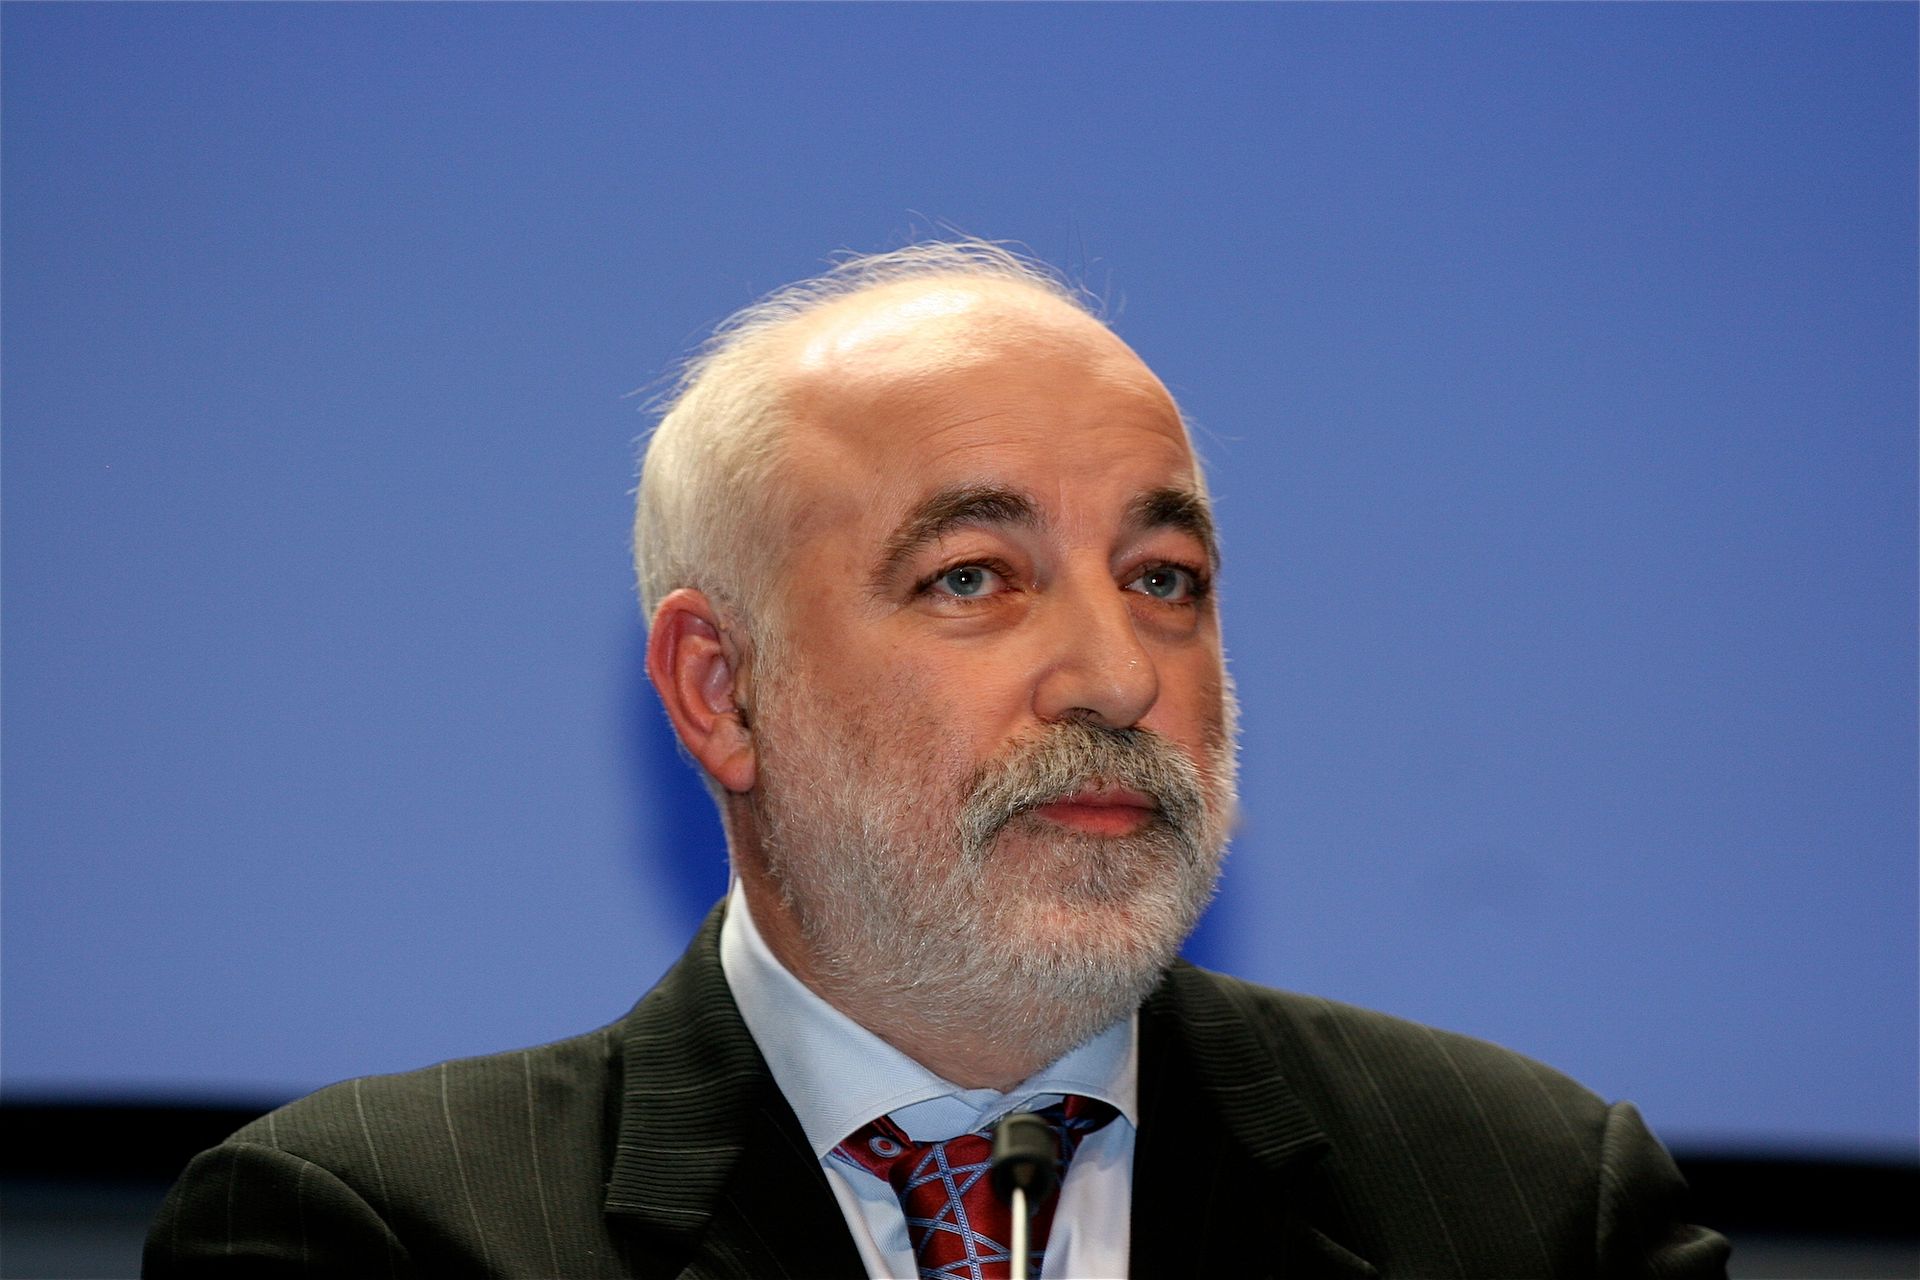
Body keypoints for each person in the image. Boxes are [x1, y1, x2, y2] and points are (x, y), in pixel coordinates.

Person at [145, 242, 1730, 1279]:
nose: (1118, 674)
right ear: (721, 691)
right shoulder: (372, 1233)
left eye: (1164, 578)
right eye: (972, 577)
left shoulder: (1535, 1207)